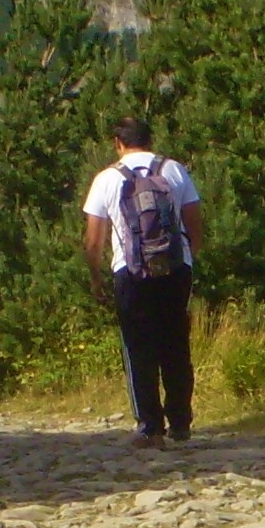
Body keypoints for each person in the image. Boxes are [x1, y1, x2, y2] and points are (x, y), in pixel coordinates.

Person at [82, 116, 205, 448]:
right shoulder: (174, 170)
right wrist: (187, 259)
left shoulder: (107, 178)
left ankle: (150, 427)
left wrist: (96, 278)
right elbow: (195, 224)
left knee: (139, 348)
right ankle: (180, 422)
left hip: (131, 272)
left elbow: (94, 240)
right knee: (176, 344)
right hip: (176, 269)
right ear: (150, 140)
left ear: (118, 143)